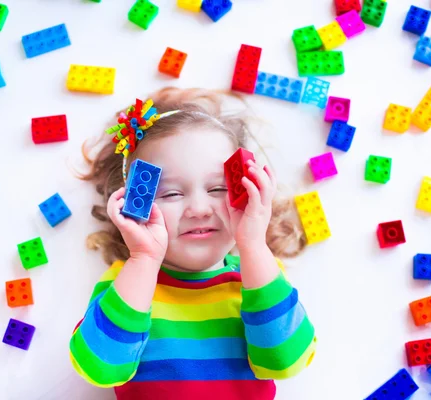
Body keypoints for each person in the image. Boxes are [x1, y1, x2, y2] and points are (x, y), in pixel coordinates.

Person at [69, 87, 316, 400]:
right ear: (134, 204)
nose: (200, 209)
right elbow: (99, 367)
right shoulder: (126, 285)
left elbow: (286, 361)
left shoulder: (258, 276)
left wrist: (254, 245)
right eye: (171, 193)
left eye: (217, 189)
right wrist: (143, 260)